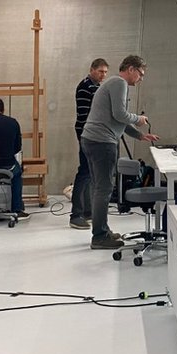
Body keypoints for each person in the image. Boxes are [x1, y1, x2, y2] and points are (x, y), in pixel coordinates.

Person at [80, 55, 159, 249]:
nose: (141, 79)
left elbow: (117, 119)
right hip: (102, 142)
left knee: (99, 187)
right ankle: (99, 237)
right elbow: (120, 114)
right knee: (104, 189)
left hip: (92, 139)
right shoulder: (119, 83)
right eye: (140, 74)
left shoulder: (114, 84)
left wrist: (140, 136)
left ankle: (102, 230)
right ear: (131, 69)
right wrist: (138, 119)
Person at [69, 58, 109, 229]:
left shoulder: (96, 86)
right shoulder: (86, 86)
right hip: (86, 133)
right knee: (85, 172)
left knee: (90, 173)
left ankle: (87, 210)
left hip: (91, 133)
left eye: (105, 72)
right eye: (100, 71)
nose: (103, 75)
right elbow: (87, 114)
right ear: (92, 69)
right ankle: (76, 214)